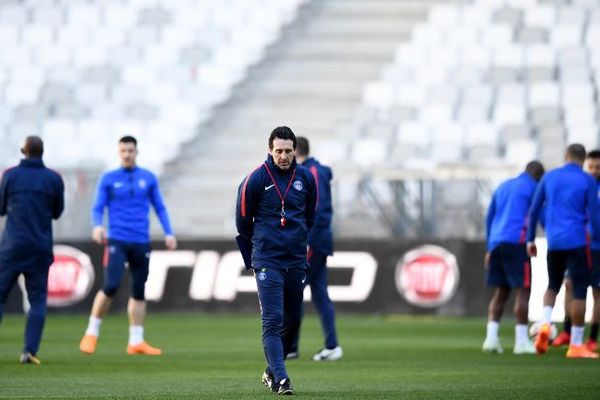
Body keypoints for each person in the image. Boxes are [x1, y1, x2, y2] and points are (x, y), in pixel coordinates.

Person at [235, 126, 317, 395]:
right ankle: (282, 379)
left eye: (288, 151)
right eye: (279, 151)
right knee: (272, 320)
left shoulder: (306, 178)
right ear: (270, 150)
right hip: (267, 260)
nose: (284, 156)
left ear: (295, 151)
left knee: (293, 319)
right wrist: (255, 258)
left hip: (294, 260)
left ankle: (271, 370)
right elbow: (243, 223)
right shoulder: (256, 179)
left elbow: (310, 216)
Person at [79, 136, 176, 356]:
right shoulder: (108, 178)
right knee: (111, 284)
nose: (127, 154)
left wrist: (169, 232)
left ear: (136, 152)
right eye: (123, 151)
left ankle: (136, 341)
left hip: (141, 240)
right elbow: (97, 207)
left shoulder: (148, 178)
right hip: (117, 239)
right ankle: (91, 332)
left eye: (130, 150)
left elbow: (159, 207)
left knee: (139, 290)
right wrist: (97, 226)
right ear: (118, 152)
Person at [526, 144, 600, 358]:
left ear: (566, 156)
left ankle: (546, 323)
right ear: (583, 159)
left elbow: (533, 210)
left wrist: (530, 240)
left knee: (552, 286)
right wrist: (596, 237)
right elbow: (595, 218)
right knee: (579, 291)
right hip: (578, 242)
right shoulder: (587, 180)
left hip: (554, 242)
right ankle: (576, 345)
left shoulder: (549, 177)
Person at [0, 136, 64, 364]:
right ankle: (29, 351)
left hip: (11, 248)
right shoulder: (53, 178)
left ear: (23, 151)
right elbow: (57, 212)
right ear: (42, 151)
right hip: (39, 247)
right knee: (37, 301)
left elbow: (0, 209)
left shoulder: (9, 175)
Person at [286, 136, 342, 361]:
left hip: (313, 241)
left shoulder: (312, 174)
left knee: (293, 293)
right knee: (319, 294)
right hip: (318, 240)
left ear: (295, 152)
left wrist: (306, 241)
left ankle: (290, 347)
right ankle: (332, 345)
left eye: (288, 152)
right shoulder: (315, 170)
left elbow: (315, 210)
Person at [482, 161, 545, 355]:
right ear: (539, 176)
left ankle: (491, 340)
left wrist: (489, 247)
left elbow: (489, 218)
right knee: (523, 290)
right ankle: (521, 342)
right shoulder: (534, 187)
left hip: (497, 244)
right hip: (517, 242)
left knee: (501, 292)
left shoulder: (503, 186)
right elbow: (539, 215)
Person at [552, 150, 600, 351]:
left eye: (598, 167)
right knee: (570, 286)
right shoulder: (580, 185)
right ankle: (567, 331)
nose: (595, 171)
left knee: (597, 293)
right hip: (577, 245)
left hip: (597, 248)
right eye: (592, 167)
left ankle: (592, 338)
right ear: (584, 166)